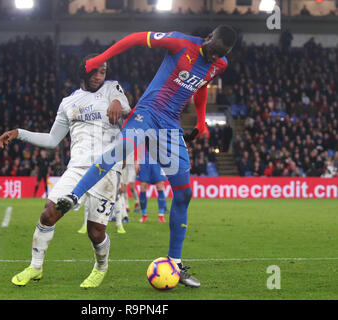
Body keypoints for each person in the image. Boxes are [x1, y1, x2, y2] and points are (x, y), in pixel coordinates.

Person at [56, 26, 237, 288]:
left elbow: (200, 86)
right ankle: (73, 196)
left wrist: (200, 120)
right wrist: (99, 60)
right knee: (119, 150)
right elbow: (135, 38)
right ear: (208, 38)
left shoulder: (219, 64)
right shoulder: (180, 43)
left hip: (171, 126)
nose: (213, 57)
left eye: (220, 54)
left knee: (184, 193)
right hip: (148, 113)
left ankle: (175, 264)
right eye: (213, 51)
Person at [0, 54, 131, 288]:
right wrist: (19, 132)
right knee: (48, 213)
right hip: (77, 167)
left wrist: (119, 103)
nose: (100, 76)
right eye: (95, 72)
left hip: (106, 169)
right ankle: (35, 266)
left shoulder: (112, 88)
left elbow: (125, 106)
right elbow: (51, 139)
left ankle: (101, 267)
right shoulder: (68, 102)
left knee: (95, 231)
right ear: (83, 72)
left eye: (103, 71)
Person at [135, 149, 168, 223]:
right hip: (144, 160)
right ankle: (144, 216)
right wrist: (137, 162)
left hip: (158, 160)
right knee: (143, 187)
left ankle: (161, 216)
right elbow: (140, 145)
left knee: (160, 186)